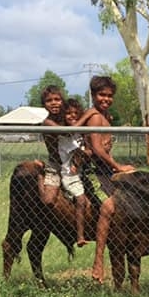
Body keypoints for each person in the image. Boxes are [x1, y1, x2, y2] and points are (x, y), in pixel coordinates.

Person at [81, 76, 135, 283]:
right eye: (102, 95)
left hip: (104, 170)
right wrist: (118, 166)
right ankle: (98, 261)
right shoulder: (95, 118)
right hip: (93, 171)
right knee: (109, 206)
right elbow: (96, 148)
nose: (106, 99)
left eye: (109, 95)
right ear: (93, 95)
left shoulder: (105, 116)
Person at [58, 98, 90, 247]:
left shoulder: (79, 133)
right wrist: (91, 151)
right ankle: (80, 235)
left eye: (76, 113)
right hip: (70, 176)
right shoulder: (64, 136)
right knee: (81, 200)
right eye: (68, 113)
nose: (73, 116)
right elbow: (79, 153)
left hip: (82, 174)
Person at [39, 85, 66, 206]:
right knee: (48, 200)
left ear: (62, 101)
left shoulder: (68, 118)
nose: (54, 103)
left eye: (57, 99)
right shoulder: (47, 123)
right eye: (49, 100)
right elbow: (65, 132)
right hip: (56, 165)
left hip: (73, 165)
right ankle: (40, 175)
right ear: (44, 104)